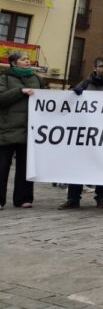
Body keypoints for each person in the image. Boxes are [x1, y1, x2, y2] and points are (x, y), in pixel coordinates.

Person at [58, 55, 103, 210]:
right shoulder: (86, 83)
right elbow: (71, 98)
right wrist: (73, 93)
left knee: (101, 163)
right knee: (78, 164)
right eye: (102, 66)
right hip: (85, 131)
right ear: (95, 68)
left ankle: (102, 198)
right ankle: (73, 198)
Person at [0, 51, 47, 209]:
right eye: (23, 59)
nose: (28, 61)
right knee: (2, 166)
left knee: (26, 167)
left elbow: (48, 98)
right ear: (14, 63)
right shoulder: (4, 78)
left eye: (28, 59)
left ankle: (23, 198)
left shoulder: (37, 79)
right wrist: (20, 91)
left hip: (29, 130)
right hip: (7, 129)